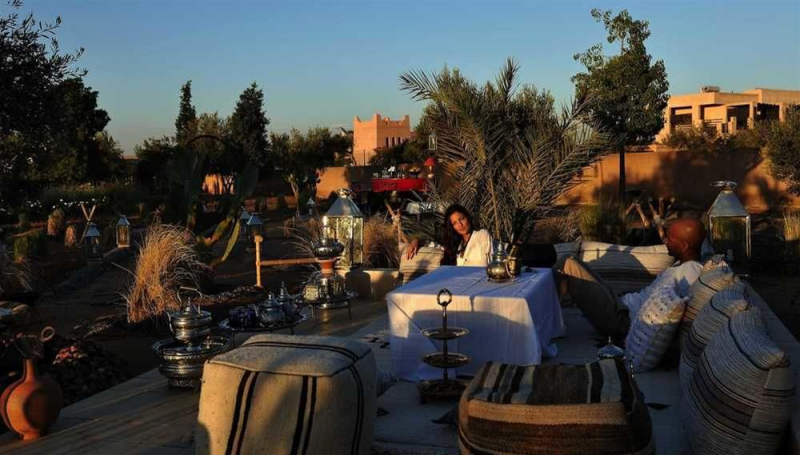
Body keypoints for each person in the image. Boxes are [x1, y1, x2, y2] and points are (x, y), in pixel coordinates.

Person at [553, 218, 706, 339]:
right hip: (621, 304)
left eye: (670, 239)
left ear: (685, 246)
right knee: (574, 262)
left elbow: (678, 310)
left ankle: (546, 326)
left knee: (567, 264)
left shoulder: (690, 271)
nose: (665, 241)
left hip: (622, 320)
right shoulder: (681, 264)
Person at [405, 204, 493, 267]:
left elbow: (488, 263)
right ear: (452, 227)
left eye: (462, 219)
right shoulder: (457, 244)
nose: (460, 225)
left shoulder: (481, 234)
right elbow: (433, 243)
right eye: (454, 223)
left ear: (467, 218)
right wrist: (416, 240)